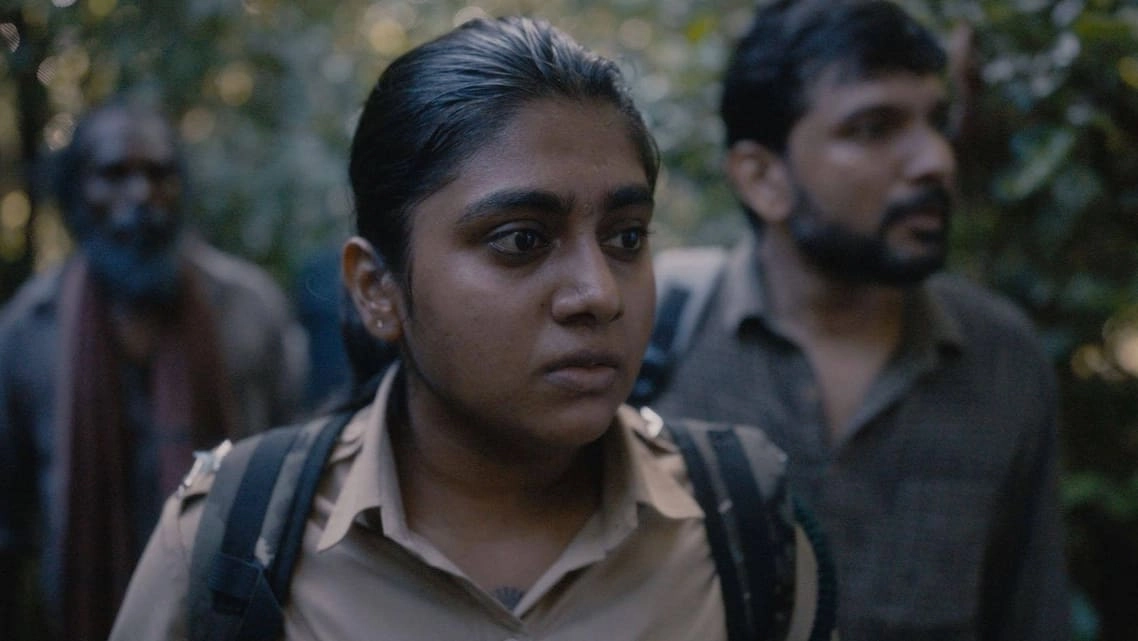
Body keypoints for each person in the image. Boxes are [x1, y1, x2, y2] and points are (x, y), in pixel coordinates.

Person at [110, 16, 831, 641]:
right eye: (522, 240)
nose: (599, 294)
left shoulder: (743, 529)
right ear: (378, 288)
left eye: (626, 237)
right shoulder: (233, 545)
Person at [645, 1, 1070, 640]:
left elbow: (1033, 617)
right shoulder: (652, 341)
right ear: (763, 178)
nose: (936, 160)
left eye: (936, 121)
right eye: (873, 128)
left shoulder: (1003, 359)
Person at [0, 96, 307, 641]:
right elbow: (11, 523)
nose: (142, 195)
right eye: (114, 174)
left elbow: (296, 481)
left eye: (159, 174)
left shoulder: (249, 309)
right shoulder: (27, 332)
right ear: (76, 194)